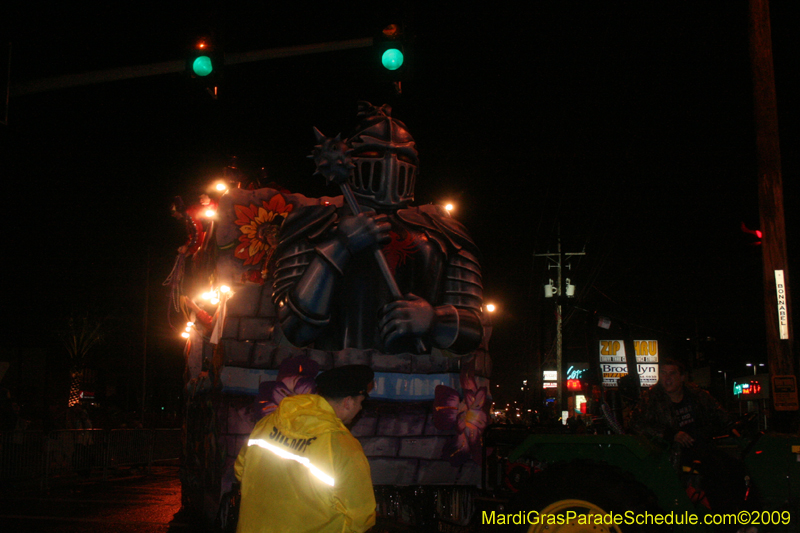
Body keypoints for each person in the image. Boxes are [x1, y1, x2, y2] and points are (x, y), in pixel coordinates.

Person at [271, 102, 484, 355]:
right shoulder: (314, 224)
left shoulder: (444, 232)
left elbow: (472, 329)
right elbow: (294, 327)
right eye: (373, 154)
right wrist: (339, 246)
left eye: (402, 156)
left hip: (418, 374)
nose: (390, 163)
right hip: (334, 372)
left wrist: (434, 320)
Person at [234, 365, 376, 533]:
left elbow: (241, 470)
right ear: (348, 402)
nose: (360, 408)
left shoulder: (268, 423)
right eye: (360, 403)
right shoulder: (344, 447)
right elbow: (361, 516)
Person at [628, 358, 744, 512]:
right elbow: (635, 424)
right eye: (663, 373)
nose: (667, 378)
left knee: (735, 466)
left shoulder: (698, 395)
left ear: (682, 377)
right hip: (670, 453)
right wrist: (671, 435)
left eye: (672, 373)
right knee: (712, 471)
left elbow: (720, 414)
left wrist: (736, 427)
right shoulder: (650, 399)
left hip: (702, 446)